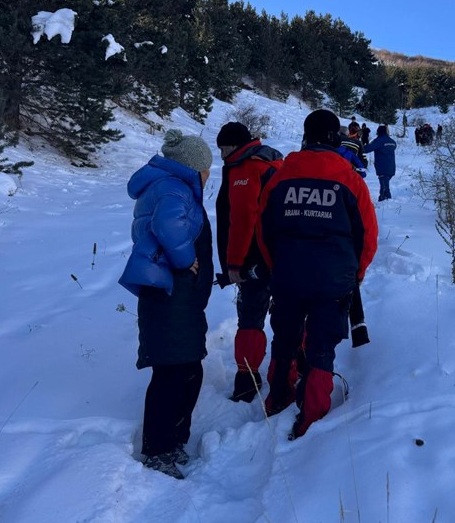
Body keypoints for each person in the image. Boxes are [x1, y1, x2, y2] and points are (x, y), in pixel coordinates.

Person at [257, 109, 378, 439]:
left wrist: (274, 267)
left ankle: (278, 398)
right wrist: (357, 273)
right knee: (321, 348)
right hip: (334, 280)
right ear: (335, 139)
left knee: (285, 340)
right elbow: (367, 235)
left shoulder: (279, 178)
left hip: (287, 276)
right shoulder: (350, 179)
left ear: (306, 137)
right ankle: (310, 418)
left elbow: (262, 231)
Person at [119, 129, 214, 479]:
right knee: (173, 372)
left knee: (186, 368)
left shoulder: (169, 185)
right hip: (170, 292)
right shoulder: (175, 188)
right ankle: (159, 449)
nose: (208, 176)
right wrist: (184, 259)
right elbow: (167, 225)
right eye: (206, 169)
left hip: (175, 295)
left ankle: (171, 443)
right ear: (191, 167)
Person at [214, 121, 283, 403]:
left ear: (232, 145)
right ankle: (290, 368)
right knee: (286, 315)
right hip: (282, 255)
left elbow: (243, 219)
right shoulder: (271, 161)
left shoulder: (245, 169)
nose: (221, 154)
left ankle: (247, 379)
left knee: (251, 319)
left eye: (222, 148)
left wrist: (234, 265)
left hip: (255, 259)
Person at [364, 124, 397, 201]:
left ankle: (385, 202)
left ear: (378, 131)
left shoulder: (378, 141)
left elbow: (367, 149)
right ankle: (383, 200)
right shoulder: (392, 141)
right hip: (391, 167)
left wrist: (359, 146)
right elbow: (394, 147)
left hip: (382, 167)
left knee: (385, 188)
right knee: (385, 185)